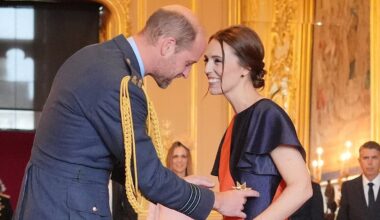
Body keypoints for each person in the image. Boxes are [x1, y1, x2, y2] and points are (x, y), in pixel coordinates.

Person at [13, 5, 259, 220]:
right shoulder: (118, 82)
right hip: (68, 210)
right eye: (188, 63)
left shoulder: (95, 58)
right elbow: (147, 176)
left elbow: (127, 163)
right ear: (167, 45)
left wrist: (179, 185)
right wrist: (216, 201)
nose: (186, 74)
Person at [204, 25, 312, 219]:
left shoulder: (267, 115)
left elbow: (302, 187)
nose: (207, 69)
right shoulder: (234, 124)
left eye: (217, 61)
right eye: (206, 60)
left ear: (245, 68)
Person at [147, 141, 194, 220]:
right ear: (170, 159)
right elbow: (151, 216)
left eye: (183, 156)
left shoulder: (195, 187)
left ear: (188, 160)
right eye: (175, 156)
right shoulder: (160, 186)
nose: (180, 160)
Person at [337, 141, 380, 220]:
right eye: (365, 158)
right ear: (360, 161)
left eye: (374, 157)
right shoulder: (348, 188)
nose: (370, 162)